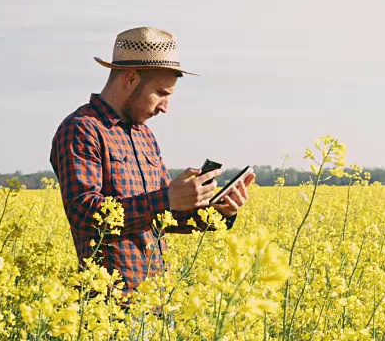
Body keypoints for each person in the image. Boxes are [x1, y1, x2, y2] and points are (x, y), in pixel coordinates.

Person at [49, 26, 255, 296]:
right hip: (112, 306)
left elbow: (160, 219)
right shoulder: (82, 129)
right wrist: (167, 198)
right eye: (161, 93)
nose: (165, 107)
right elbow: (84, 214)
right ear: (131, 78)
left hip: (157, 302)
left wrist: (217, 212)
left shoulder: (144, 135)